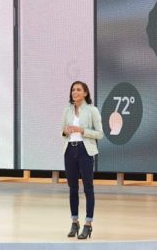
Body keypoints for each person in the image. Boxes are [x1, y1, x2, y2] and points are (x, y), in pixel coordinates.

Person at [61, 81, 104, 239]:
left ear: (85, 93)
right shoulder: (67, 110)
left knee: (88, 188)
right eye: (73, 90)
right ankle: (74, 222)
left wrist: (82, 130)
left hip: (85, 150)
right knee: (72, 188)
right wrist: (65, 132)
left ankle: (88, 224)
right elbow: (62, 131)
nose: (75, 92)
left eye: (78, 90)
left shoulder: (92, 110)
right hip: (69, 150)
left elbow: (100, 134)